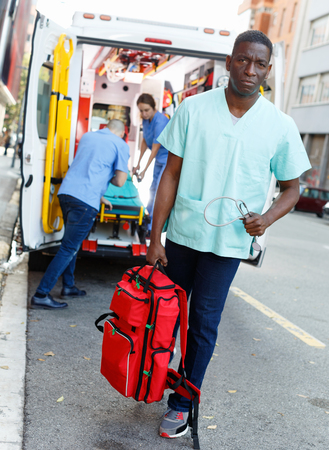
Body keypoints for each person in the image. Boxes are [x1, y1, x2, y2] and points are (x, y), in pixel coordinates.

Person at [146, 30, 311, 439]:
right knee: (166, 315)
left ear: (268, 70)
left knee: (202, 322)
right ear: (229, 61)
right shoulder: (193, 108)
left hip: (227, 245)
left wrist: (267, 218)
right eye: (242, 60)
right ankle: (153, 381)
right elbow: (171, 173)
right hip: (182, 235)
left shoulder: (280, 125)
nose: (249, 70)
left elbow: (294, 187)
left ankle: (182, 403)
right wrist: (155, 237)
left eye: (259, 64)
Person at [31, 119, 130, 310]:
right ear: (122, 132)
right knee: (68, 248)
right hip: (84, 202)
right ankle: (41, 294)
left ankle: (68, 286)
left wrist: (100, 197)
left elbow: (87, 170)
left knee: (70, 245)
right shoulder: (120, 145)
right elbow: (120, 181)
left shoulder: (88, 136)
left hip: (67, 194)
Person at [132, 93, 169, 233]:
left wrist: (144, 170)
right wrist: (138, 163)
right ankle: (147, 218)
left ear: (154, 108)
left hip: (167, 160)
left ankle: (153, 226)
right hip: (159, 159)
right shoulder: (145, 120)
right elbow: (144, 141)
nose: (144, 113)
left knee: (160, 191)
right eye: (141, 111)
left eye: (146, 110)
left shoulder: (160, 122)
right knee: (152, 189)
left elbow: (154, 149)